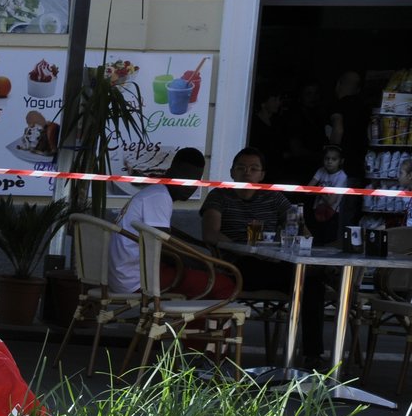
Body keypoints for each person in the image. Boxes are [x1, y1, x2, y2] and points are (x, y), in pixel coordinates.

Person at [201, 147, 326, 364]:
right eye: (241, 168)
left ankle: (312, 355)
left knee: (313, 284)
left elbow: (301, 229)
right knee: (292, 277)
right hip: (236, 266)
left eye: (253, 168)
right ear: (231, 172)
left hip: (272, 264)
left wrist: (288, 239)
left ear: (262, 174)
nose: (247, 172)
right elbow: (210, 233)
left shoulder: (273, 197)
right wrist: (241, 248)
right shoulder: (219, 195)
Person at [107, 146, 210, 295]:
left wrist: (199, 246)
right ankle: (184, 318)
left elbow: (168, 234)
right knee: (217, 283)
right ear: (170, 171)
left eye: (196, 180)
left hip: (126, 276)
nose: (190, 185)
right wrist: (205, 264)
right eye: (185, 177)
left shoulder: (156, 192)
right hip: (136, 281)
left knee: (201, 276)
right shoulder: (159, 197)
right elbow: (162, 248)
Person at [307, 144, 349, 246]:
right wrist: (323, 192)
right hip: (317, 211)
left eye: (334, 159)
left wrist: (319, 190)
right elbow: (307, 189)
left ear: (341, 161)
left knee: (328, 243)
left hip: (332, 214)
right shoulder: (321, 170)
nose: (329, 161)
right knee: (315, 241)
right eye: (327, 158)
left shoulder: (342, 177)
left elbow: (331, 202)